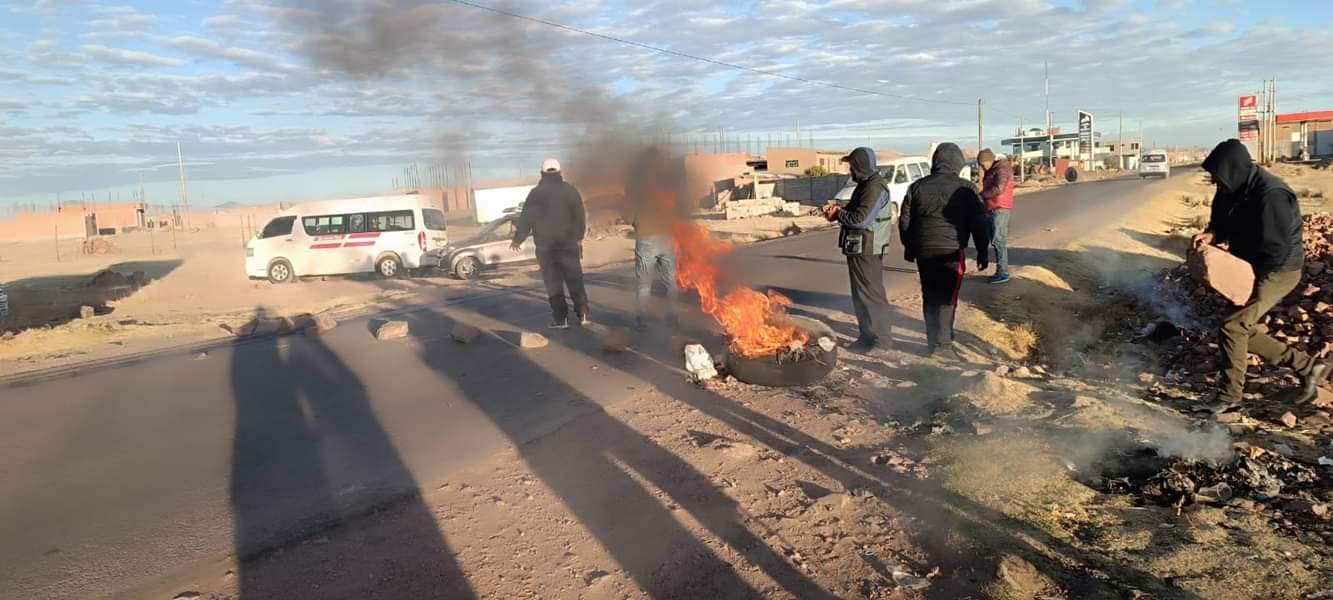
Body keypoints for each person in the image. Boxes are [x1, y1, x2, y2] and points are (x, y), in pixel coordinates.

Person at [1194, 139, 1329, 407]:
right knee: (1240, 327)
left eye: (1218, 177)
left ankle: (1230, 397)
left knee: (1233, 326)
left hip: (1278, 269)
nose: (1215, 183)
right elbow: (1221, 222)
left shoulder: (1272, 195)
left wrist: (1251, 284)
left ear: (1234, 169)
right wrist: (1212, 234)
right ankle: (1308, 367)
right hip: (1250, 264)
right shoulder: (1231, 188)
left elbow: (1276, 248)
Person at [898, 142, 990, 359]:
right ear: (957, 162)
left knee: (930, 296)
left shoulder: (917, 186)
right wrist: (983, 251)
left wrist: (910, 247)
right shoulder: (966, 189)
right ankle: (944, 348)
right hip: (951, 250)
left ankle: (935, 342)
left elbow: (905, 222)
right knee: (948, 298)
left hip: (925, 251)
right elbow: (979, 223)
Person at [823, 147, 895, 354]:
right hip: (859, 247)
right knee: (860, 295)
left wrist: (838, 214)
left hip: (868, 248)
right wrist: (839, 207)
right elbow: (857, 209)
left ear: (860, 167)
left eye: (852, 167)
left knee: (871, 295)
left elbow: (861, 219)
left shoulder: (875, 187)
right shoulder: (865, 185)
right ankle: (866, 337)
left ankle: (882, 341)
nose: (850, 171)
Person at [512, 157, 589, 329]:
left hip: (546, 249)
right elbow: (580, 216)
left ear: (542, 173)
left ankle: (561, 319)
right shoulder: (570, 191)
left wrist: (518, 239)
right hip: (569, 245)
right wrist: (579, 236)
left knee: (553, 285)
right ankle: (583, 314)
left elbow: (526, 219)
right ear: (560, 172)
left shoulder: (535, 194)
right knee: (575, 280)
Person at [622, 147, 684, 329]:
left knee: (644, 283)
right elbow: (680, 208)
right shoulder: (669, 181)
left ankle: (643, 319)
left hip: (646, 237)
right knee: (670, 280)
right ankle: (673, 317)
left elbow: (627, 213)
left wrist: (637, 222)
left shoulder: (635, 183)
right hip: (667, 236)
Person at [978, 148, 1015, 284]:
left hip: (1000, 207)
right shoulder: (993, 170)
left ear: (989, 160)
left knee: (999, 240)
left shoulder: (1001, 169)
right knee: (995, 239)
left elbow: (999, 188)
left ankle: (1003, 272)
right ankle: (1001, 271)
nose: (982, 167)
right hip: (993, 207)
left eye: (983, 164)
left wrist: (981, 195)